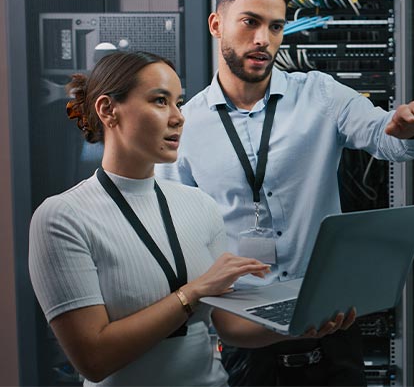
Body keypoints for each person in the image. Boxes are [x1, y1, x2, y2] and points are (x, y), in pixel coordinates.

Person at [154, 0, 414, 386]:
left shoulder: (320, 94)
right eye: (250, 22)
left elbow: (384, 137)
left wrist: (409, 129)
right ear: (216, 25)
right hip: (246, 334)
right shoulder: (185, 126)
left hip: (331, 323)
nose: (264, 39)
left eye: (276, 26)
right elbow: (177, 236)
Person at [28, 51, 352, 387]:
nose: (178, 117)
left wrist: (304, 324)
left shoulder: (200, 205)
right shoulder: (62, 218)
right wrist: (192, 293)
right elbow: (94, 360)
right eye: (160, 101)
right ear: (108, 110)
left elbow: (230, 327)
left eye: (179, 103)